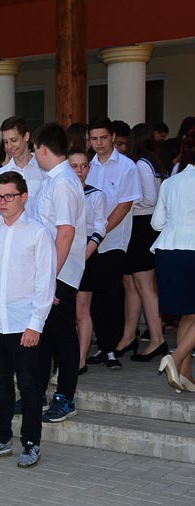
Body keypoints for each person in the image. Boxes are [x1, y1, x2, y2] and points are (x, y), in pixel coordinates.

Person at [0, 171, 56, 468]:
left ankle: (31, 442)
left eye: (9, 196)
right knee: (1, 382)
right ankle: (0, 438)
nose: (2, 202)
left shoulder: (38, 233)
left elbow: (45, 282)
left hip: (24, 324)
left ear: (24, 197)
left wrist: (36, 324)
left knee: (30, 385)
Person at [30, 123, 87, 424]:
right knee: (45, 335)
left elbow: (65, 233)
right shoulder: (54, 179)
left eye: (34, 150)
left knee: (63, 335)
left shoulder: (63, 181)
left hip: (60, 272)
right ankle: (38, 393)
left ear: (42, 148)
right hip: (51, 270)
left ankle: (65, 397)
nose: (34, 156)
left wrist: (50, 278)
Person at [85, 117, 142, 370]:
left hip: (113, 240)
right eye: (94, 139)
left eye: (103, 138)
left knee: (112, 294)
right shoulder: (87, 166)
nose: (99, 143)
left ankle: (112, 347)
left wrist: (101, 231)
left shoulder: (127, 166)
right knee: (94, 295)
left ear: (112, 137)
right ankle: (102, 347)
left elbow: (125, 205)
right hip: (89, 241)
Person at [115, 123, 167, 362]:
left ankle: (157, 339)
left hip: (142, 225)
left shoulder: (142, 164)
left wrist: (127, 201)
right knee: (133, 282)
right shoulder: (153, 162)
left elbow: (150, 199)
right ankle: (129, 335)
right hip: (143, 226)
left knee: (144, 284)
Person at [151, 163, 195, 393]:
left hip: (168, 251)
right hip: (192, 249)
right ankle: (174, 359)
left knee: (188, 314)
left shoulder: (170, 182)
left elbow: (156, 223)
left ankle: (184, 374)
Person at [68, 148, 108, 374]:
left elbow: (100, 227)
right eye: (74, 166)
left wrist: (84, 255)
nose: (79, 170)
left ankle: (81, 359)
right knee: (64, 310)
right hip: (63, 253)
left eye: (83, 166)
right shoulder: (59, 191)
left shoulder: (96, 195)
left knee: (81, 309)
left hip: (86, 253)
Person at [0, 116, 46, 217]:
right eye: (6, 142)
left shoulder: (44, 169)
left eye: (13, 140)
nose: (9, 146)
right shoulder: (1, 173)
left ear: (26, 137)